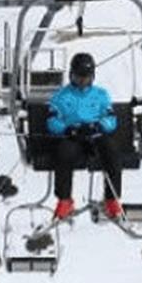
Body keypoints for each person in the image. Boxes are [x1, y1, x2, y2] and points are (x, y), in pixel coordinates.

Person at [47, 52, 122, 221]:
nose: (82, 81)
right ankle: (65, 200)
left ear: (92, 77)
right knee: (64, 153)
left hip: (95, 134)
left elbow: (111, 119)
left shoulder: (101, 95)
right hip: (74, 136)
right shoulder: (61, 96)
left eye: (86, 78)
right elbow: (52, 121)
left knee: (112, 152)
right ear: (71, 75)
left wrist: (100, 125)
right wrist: (66, 130)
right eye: (78, 77)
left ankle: (112, 199)